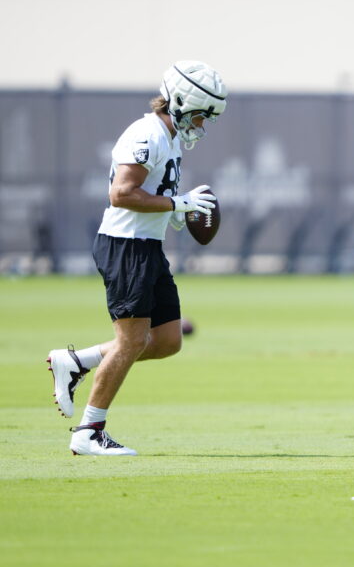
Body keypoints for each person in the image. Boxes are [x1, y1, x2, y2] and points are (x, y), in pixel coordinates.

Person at [47, 60, 227, 456]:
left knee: (167, 340)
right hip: (126, 246)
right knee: (129, 342)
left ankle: (77, 361)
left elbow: (151, 193)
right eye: (200, 115)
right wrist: (177, 202)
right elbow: (121, 194)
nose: (201, 124)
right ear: (179, 102)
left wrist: (175, 211)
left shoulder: (170, 136)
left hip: (146, 246)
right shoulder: (147, 133)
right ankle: (89, 431)